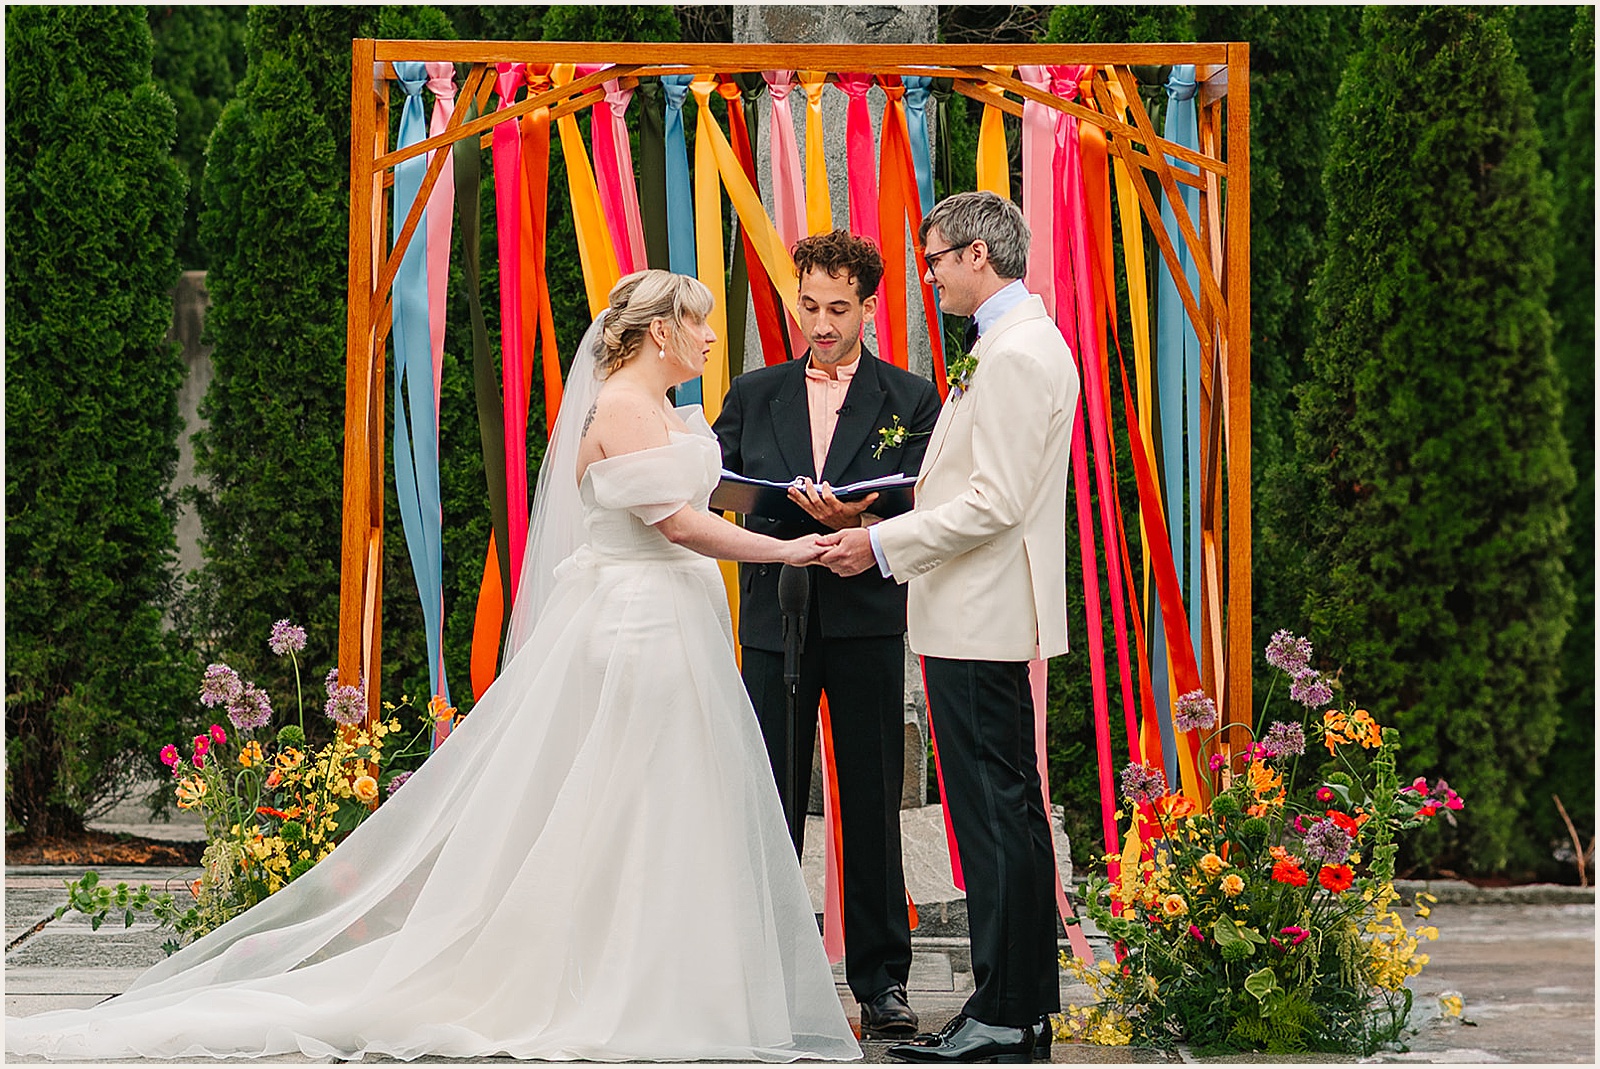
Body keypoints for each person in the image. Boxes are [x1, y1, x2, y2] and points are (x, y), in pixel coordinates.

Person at [5, 270, 862, 1064]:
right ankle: (624, 979)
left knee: (668, 794)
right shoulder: (630, 409)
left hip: (671, 615)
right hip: (639, 622)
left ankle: (665, 972)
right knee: (635, 792)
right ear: (659, 331)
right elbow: (676, 524)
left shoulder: (666, 407)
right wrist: (787, 552)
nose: (712, 340)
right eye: (700, 326)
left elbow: (705, 497)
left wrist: (791, 512)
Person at [817, 191, 1079, 1064]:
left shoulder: (1013, 356)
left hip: (980, 613)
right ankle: (1014, 1003)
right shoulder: (1011, 345)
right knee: (1004, 813)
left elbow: (994, 500)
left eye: (933, 258)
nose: (927, 274)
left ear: (976, 254)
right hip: (978, 611)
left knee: (996, 817)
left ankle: (1006, 1012)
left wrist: (881, 543)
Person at [712, 231, 941, 1040]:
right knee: (769, 791)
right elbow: (719, 486)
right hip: (776, 610)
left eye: (838, 309)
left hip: (866, 614)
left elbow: (928, 498)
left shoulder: (910, 397)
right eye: (809, 306)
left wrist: (861, 516)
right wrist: (778, 507)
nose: (821, 323)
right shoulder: (753, 390)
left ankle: (882, 980)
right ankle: (770, 966)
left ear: (868, 307)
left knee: (872, 794)